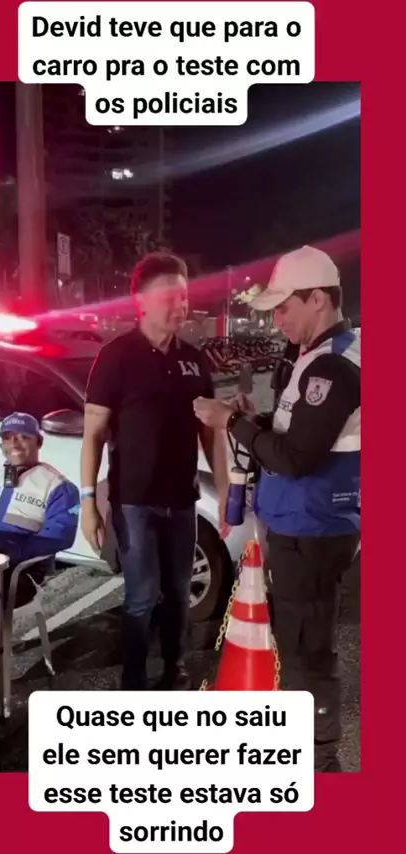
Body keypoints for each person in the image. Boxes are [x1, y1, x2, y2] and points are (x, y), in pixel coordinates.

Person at [193, 246, 360, 772]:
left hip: (313, 529)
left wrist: (229, 422)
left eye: (285, 306)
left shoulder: (333, 366)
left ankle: (320, 762)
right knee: (300, 641)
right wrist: (254, 419)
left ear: (319, 300)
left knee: (308, 651)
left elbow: (294, 457)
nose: (277, 318)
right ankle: (311, 749)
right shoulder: (314, 355)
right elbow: (295, 432)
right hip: (302, 524)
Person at [80, 252, 230, 691]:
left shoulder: (195, 360)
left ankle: (174, 669)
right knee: (142, 595)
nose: (180, 306)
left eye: (184, 296)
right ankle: (133, 680)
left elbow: (210, 434)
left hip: (182, 500)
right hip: (134, 501)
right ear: (141, 301)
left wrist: (226, 492)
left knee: (180, 592)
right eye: (170, 297)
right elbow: (92, 434)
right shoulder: (115, 357)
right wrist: (89, 503)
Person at [0, 412, 80, 697]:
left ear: (39, 441)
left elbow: (61, 535)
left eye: (23, 437)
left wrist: (13, 553)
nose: (15, 444)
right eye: (8, 438)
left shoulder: (58, 486)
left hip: (20, 572)